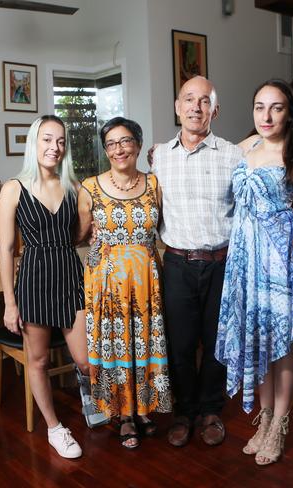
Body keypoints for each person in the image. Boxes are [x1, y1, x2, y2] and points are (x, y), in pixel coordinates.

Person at [215, 79, 293, 465]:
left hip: (281, 264)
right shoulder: (242, 150)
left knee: (284, 347)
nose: (266, 115)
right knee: (258, 344)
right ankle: (263, 420)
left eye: (276, 107)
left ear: (290, 112)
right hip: (244, 266)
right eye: (260, 107)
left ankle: (279, 423)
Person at [150, 76, 243, 448]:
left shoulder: (235, 156)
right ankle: (184, 413)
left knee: (217, 343)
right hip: (177, 265)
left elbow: (248, 210)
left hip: (222, 263)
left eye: (204, 101)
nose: (195, 107)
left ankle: (211, 412)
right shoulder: (159, 158)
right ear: (177, 107)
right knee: (180, 345)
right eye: (188, 99)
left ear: (214, 110)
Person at [0, 115, 88, 459]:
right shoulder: (13, 189)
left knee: (84, 360)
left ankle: (89, 397)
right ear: (34, 144)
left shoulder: (74, 187)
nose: (54, 147)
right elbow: (6, 250)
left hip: (70, 273)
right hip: (33, 279)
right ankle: (55, 428)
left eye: (61, 141)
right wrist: (10, 303)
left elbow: (79, 236)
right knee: (37, 361)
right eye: (47, 140)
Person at [78, 117, 172, 450]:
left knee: (144, 344)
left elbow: (164, 229)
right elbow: (78, 234)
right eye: (112, 143)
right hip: (107, 282)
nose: (119, 149)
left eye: (126, 141)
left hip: (147, 279)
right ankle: (124, 415)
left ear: (139, 144)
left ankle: (144, 410)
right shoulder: (89, 187)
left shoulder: (154, 183)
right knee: (115, 348)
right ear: (105, 150)